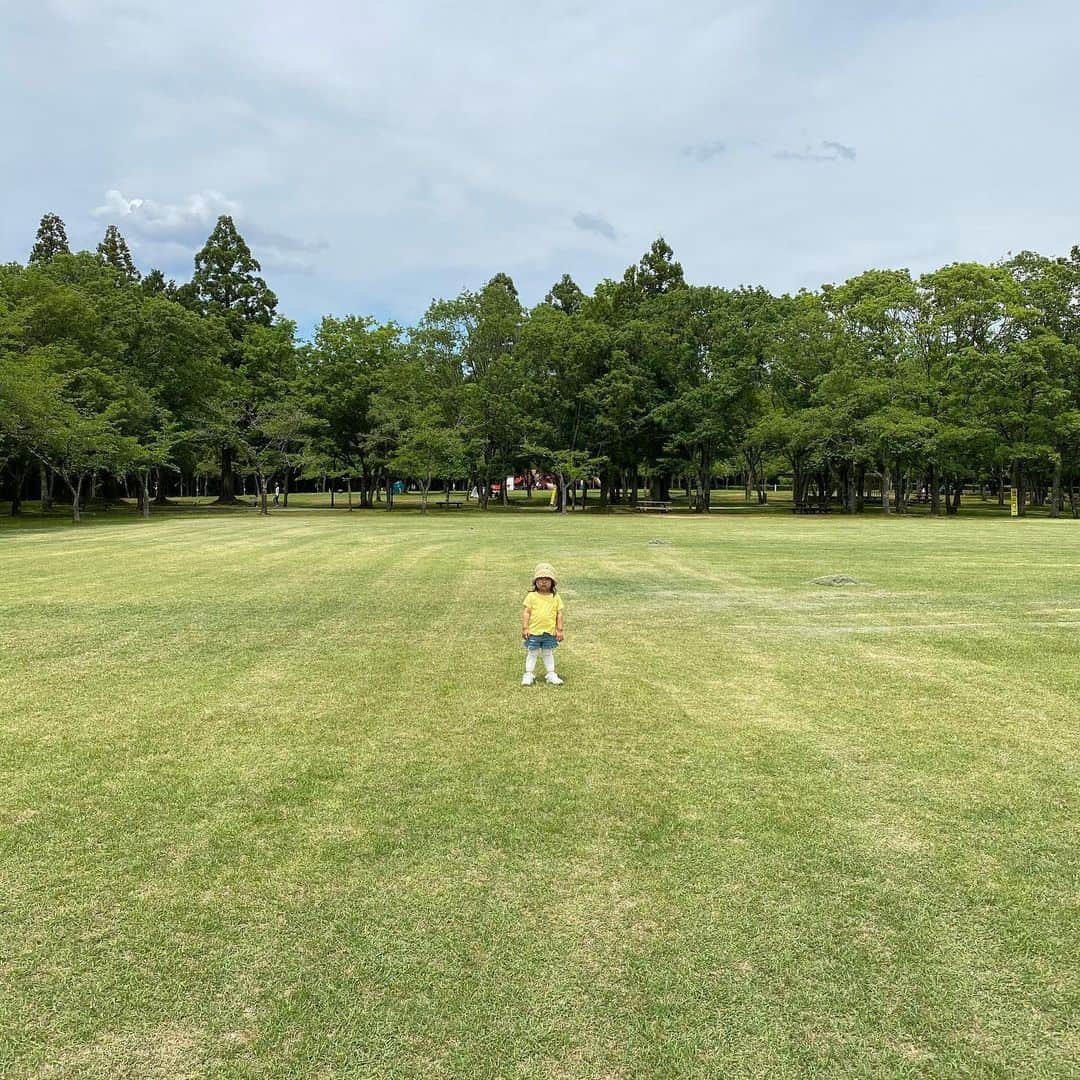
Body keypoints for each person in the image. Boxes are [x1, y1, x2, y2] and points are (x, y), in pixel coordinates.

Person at [521, 562, 565, 685]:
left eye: (547, 579)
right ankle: (528, 674)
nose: (543, 582)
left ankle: (551, 674)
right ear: (535, 581)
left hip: (549, 632)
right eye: (540, 579)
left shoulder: (555, 597)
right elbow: (526, 613)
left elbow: (559, 614)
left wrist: (559, 629)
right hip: (534, 631)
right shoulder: (531, 596)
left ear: (552, 582)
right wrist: (525, 628)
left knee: (548, 652)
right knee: (532, 652)